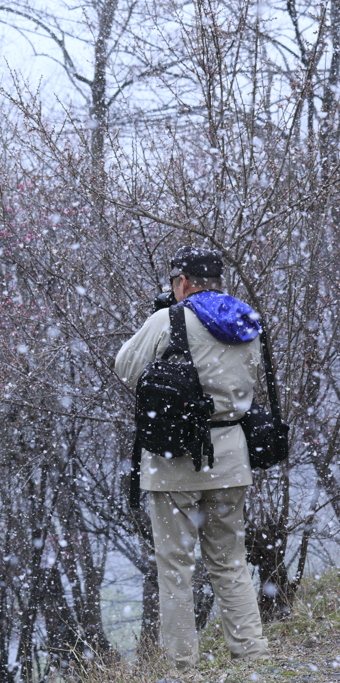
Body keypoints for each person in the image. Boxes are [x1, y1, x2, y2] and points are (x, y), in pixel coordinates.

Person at [115, 246, 270, 672]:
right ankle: (251, 655)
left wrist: (162, 323)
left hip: (174, 463)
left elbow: (125, 368)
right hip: (232, 457)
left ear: (182, 282)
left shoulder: (170, 319)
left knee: (176, 571)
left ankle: (182, 667)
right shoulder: (246, 321)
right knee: (230, 562)